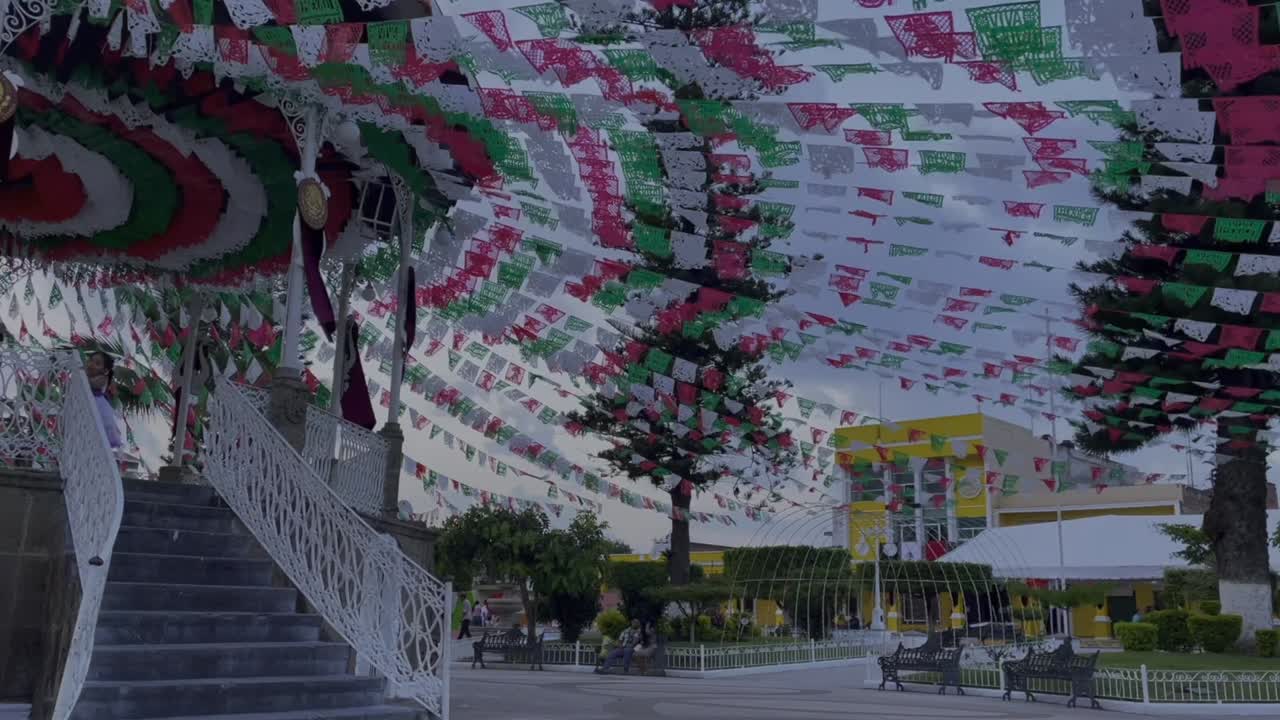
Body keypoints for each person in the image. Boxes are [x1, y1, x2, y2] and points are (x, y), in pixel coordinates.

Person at [86, 351, 121, 450]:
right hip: (90, 403)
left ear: (105, 370)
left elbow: (92, 384)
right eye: (91, 360)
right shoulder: (88, 374)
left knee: (104, 426)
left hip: (98, 406)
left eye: (97, 364)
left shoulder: (102, 379)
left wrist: (83, 376)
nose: (91, 364)